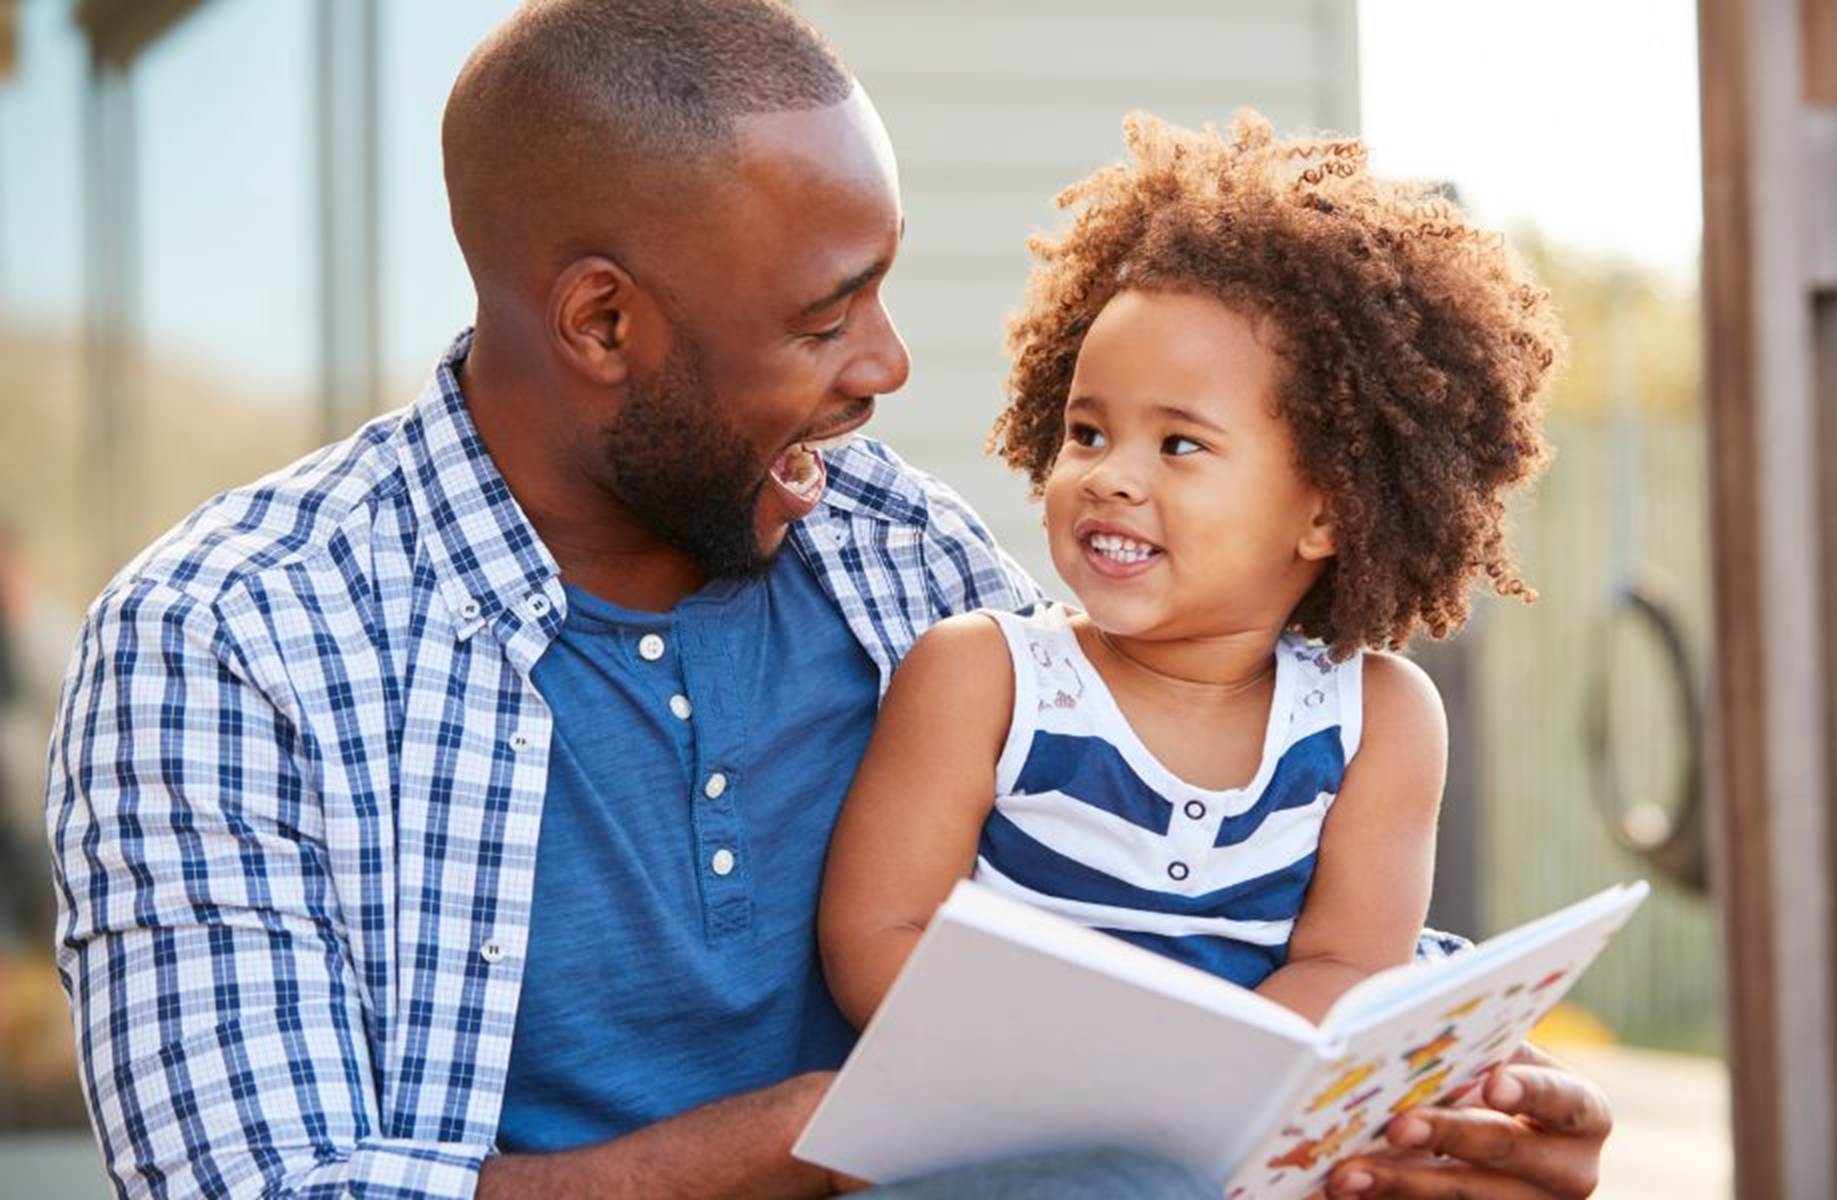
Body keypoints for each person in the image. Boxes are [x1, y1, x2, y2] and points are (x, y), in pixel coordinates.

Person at [43, 3, 1611, 1197]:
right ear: (604, 321)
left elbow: (1179, 868)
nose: (886, 367)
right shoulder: (230, 641)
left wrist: (1443, 1091)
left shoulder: (895, 555)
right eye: (823, 315)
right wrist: (815, 1138)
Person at [820, 113, 1556, 1034]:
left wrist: (1199, 1088)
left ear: (1328, 511)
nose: (1109, 475)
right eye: (1087, 432)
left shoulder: (1378, 723)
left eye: (1179, 444)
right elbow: (879, 935)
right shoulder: (985, 679)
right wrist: (1074, 1072)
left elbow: (1348, 967)